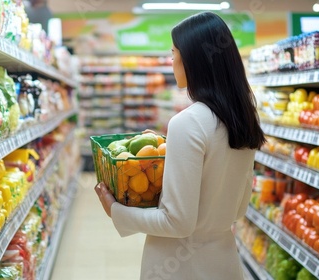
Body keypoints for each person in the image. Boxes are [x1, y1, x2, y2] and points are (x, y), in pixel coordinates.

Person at [94, 11, 266, 279]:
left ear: (192, 60)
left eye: (174, 52)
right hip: (223, 260)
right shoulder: (243, 118)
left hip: (178, 265)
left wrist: (115, 210)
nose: (171, 59)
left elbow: (177, 222)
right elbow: (239, 207)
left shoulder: (187, 122)